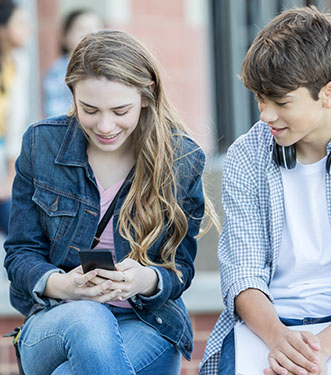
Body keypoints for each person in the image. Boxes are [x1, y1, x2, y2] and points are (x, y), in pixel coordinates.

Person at [4, 29, 218, 375]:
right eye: (89, 109)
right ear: (72, 94)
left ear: (147, 96)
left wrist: (143, 280)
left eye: (120, 110)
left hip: (147, 323)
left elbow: (180, 268)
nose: (105, 126)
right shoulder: (40, 145)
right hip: (55, 322)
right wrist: (64, 285)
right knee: (90, 315)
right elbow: (20, 253)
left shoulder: (182, 159)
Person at [200, 6, 331, 375]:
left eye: (281, 102)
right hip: (269, 326)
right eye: (260, 98)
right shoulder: (247, 156)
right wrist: (279, 339)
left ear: (328, 93)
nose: (265, 114)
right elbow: (242, 271)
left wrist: (317, 352)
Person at [0, 0, 30, 235]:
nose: (27, 29)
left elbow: (16, 121)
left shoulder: (18, 62)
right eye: (19, 22)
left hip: (5, 156)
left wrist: (11, 170)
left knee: (14, 221)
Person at [43, 9, 104, 117]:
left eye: (96, 28)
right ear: (66, 37)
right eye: (82, 29)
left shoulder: (110, 68)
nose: (90, 34)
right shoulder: (56, 73)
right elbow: (55, 115)